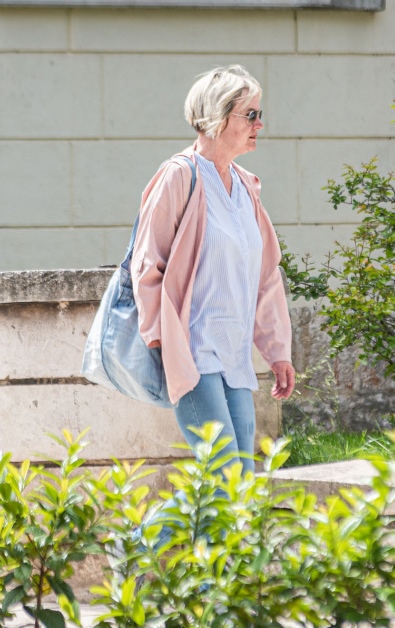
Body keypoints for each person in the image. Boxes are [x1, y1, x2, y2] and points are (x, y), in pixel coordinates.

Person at [131, 64, 295, 481]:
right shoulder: (179, 176)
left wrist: (278, 351)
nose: (260, 124)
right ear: (218, 118)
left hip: (234, 357)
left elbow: (265, 277)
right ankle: (134, 545)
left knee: (238, 484)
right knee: (223, 479)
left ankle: (139, 544)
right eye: (251, 114)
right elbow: (148, 266)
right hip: (194, 354)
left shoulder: (245, 186)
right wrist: (163, 343)